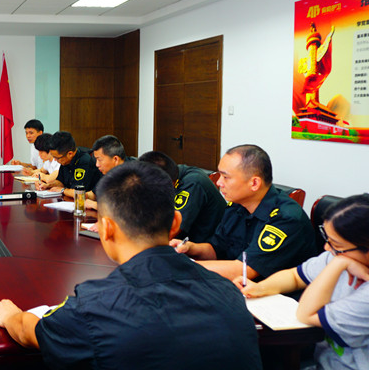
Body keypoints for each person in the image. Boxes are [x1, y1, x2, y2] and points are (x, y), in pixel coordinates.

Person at [0, 162, 262, 369]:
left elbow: (30, 333)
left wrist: (11, 316)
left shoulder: (95, 306)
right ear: (175, 223)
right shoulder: (228, 293)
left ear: (105, 229)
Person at [237, 194, 369, 370]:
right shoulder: (341, 256)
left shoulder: (342, 262)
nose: (327, 248)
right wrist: (260, 288)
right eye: (327, 239)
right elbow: (295, 276)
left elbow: (305, 314)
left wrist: (338, 264)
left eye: (336, 245)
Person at [172, 144, 316, 281]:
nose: (218, 182)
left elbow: (245, 270)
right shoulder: (237, 206)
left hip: (279, 295)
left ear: (254, 183)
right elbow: (217, 249)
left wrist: (180, 266)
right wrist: (191, 248)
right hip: (239, 287)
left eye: (226, 177)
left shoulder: (286, 218)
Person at [138, 150, 225, 243]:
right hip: (186, 242)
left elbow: (171, 231)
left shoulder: (192, 183)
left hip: (207, 245)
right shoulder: (173, 174)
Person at [37, 131, 100, 198]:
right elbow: (61, 182)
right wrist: (47, 185)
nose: (55, 160)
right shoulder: (65, 160)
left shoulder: (85, 162)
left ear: (70, 154)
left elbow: (79, 192)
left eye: (57, 158)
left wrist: (63, 190)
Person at [83, 135, 133, 209]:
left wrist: (95, 205)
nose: (97, 164)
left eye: (99, 160)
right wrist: (82, 196)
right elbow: (95, 194)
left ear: (115, 159)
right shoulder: (107, 171)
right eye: (96, 160)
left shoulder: (132, 175)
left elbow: (124, 209)